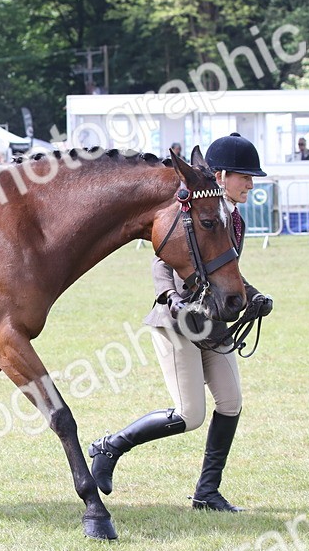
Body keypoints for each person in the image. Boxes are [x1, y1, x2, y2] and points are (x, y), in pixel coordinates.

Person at [87, 133, 274, 513]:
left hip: (212, 323)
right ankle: (111, 446)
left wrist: (251, 295)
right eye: (245, 176)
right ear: (220, 176)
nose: (251, 184)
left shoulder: (230, 217)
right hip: (177, 321)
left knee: (231, 403)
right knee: (191, 414)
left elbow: (226, 269)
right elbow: (162, 258)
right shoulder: (191, 209)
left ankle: (207, 493)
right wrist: (169, 299)